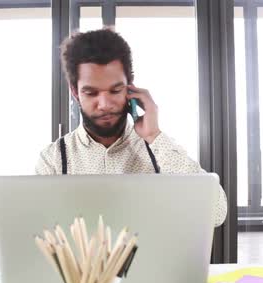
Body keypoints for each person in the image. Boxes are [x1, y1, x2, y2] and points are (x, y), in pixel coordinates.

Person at [35, 28, 227, 226]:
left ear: (130, 87)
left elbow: (216, 213)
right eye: (91, 93)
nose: (104, 104)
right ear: (75, 92)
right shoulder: (54, 159)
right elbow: (38, 230)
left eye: (115, 90)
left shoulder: (158, 149)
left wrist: (154, 135)